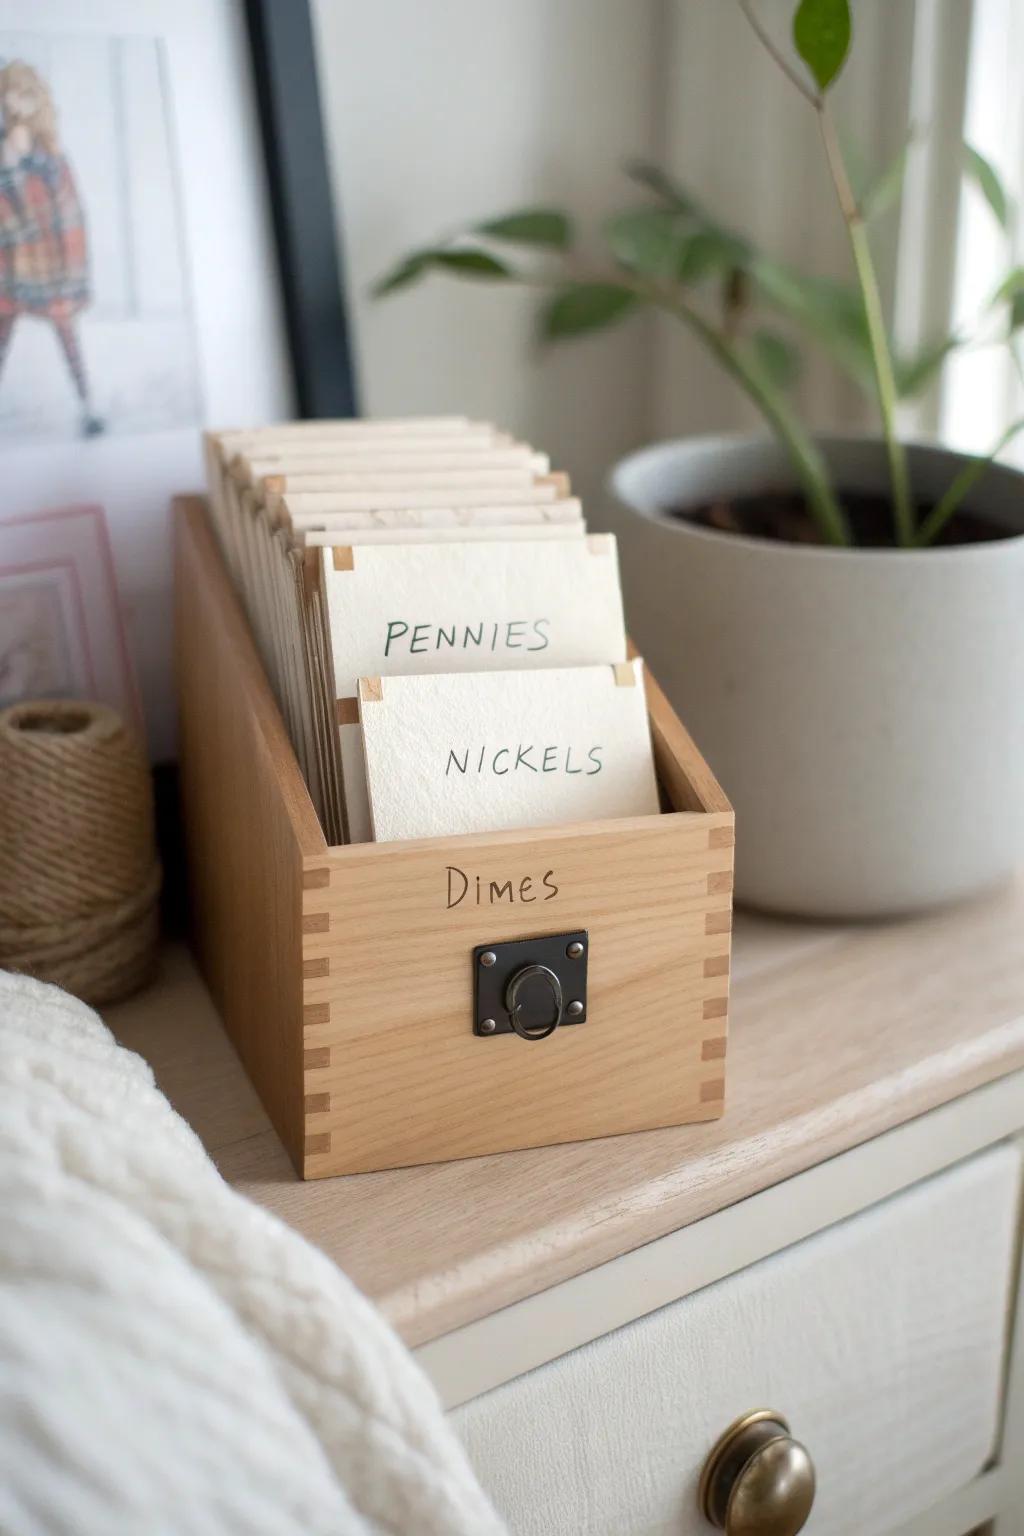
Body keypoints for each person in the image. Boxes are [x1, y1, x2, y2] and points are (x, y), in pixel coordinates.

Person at [0, 59, 102, 436]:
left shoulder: (50, 149)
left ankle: (88, 405)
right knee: (2, 333)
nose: (17, 101)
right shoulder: (7, 145)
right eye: (11, 93)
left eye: (24, 93)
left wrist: (71, 264)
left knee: (66, 333)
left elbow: (69, 208)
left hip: (50, 259)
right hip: (12, 259)